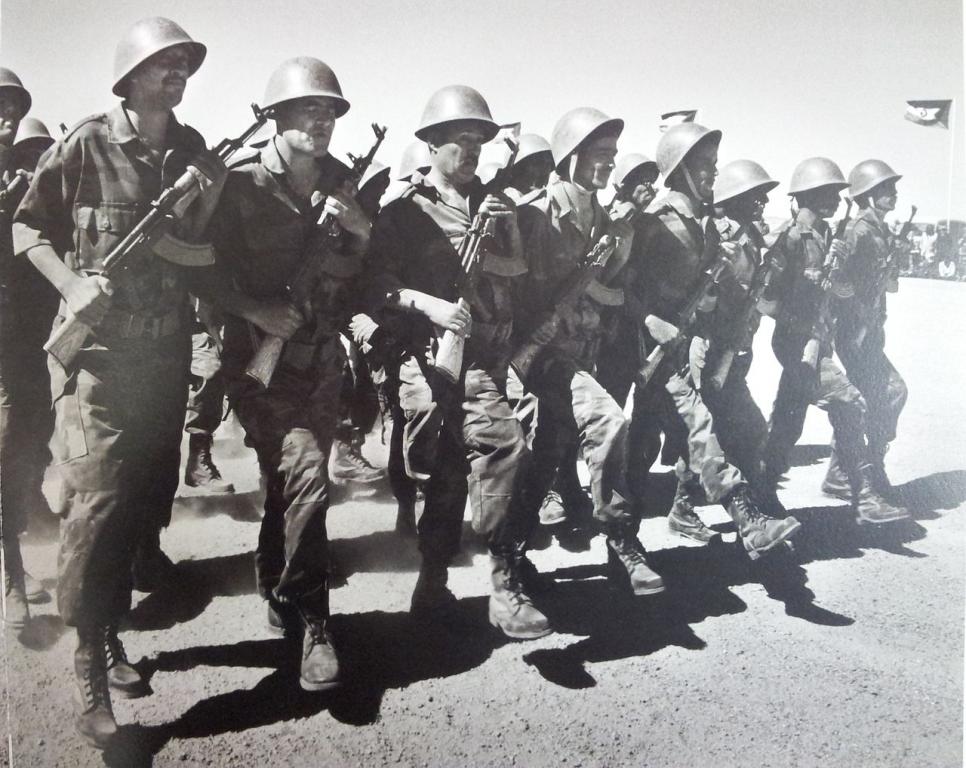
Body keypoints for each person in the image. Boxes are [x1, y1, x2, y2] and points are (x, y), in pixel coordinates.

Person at [13, 18, 227, 748]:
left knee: (140, 505)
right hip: (97, 360)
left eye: (183, 66)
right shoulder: (84, 144)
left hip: (162, 360)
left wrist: (206, 197)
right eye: (164, 65)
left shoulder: (196, 152)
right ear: (131, 76)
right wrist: (72, 285)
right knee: (98, 505)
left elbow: (206, 254)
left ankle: (107, 635)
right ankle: (88, 671)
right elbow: (25, 229)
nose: (177, 75)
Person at [208, 56, 380, 692]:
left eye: (331, 110)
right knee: (308, 473)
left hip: (321, 363)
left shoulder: (346, 183)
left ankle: (274, 576)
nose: (322, 120)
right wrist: (255, 310)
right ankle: (316, 620)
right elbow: (199, 269)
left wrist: (361, 235)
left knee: (292, 482)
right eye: (309, 109)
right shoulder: (239, 185)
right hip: (258, 362)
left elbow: (365, 275)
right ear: (276, 117)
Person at [367, 84, 550, 639]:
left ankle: (488, 580)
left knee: (483, 458)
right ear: (432, 145)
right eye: (459, 142)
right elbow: (376, 284)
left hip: (486, 357)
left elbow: (518, 273)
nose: (470, 152)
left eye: (478, 142)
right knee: (463, 467)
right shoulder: (404, 212)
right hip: (431, 358)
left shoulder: (495, 205)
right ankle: (457, 579)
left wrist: (504, 229)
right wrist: (431, 305)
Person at [604, 123, 801, 557]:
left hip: (676, 350)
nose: (714, 172)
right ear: (680, 169)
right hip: (641, 347)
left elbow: (704, 298)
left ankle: (632, 543)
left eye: (713, 164)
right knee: (671, 435)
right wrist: (650, 319)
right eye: (705, 165)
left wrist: (710, 296)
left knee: (662, 440)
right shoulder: (655, 222)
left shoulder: (706, 226)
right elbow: (619, 287)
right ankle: (631, 541)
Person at [510, 106, 665, 593]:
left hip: (581, 349)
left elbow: (611, 286)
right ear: (571, 156)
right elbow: (513, 289)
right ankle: (621, 538)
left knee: (544, 458)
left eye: (611, 156)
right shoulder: (537, 212)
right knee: (608, 421)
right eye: (599, 155)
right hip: (542, 354)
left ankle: (511, 556)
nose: (608, 164)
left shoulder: (603, 216)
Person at [760, 157, 907, 525]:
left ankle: (762, 492)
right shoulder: (790, 239)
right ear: (803, 196)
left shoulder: (829, 236)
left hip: (817, 342)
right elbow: (766, 302)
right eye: (823, 193)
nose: (832, 199)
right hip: (795, 343)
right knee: (850, 401)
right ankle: (864, 495)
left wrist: (838, 291)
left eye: (835, 193)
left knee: (787, 423)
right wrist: (806, 331)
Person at [683, 159, 786, 515]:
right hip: (713, 348)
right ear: (735, 197)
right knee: (725, 429)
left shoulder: (753, 239)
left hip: (737, 348)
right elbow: (703, 301)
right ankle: (753, 512)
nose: (763, 203)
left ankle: (686, 507)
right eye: (756, 196)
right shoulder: (721, 237)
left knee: (718, 430)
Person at [0, 71, 55, 632]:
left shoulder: (32, 175)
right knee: (9, 443)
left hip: (35, 334)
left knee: (36, 439)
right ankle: (12, 576)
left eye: (14, 106)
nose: (7, 117)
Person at [821, 160, 910, 502]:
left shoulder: (882, 230)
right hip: (853, 332)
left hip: (871, 329)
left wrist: (892, 266)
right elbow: (835, 278)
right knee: (891, 391)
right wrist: (854, 304)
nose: (894, 194)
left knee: (869, 397)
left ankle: (845, 471)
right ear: (869, 195)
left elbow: (890, 285)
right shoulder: (858, 229)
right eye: (886, 189)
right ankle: (865, 467)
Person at [504, 133, 554, 202]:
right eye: (537, 163)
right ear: (518, 170)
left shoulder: (550, 202)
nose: (545, 170)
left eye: (548, 163)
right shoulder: (506, 204)